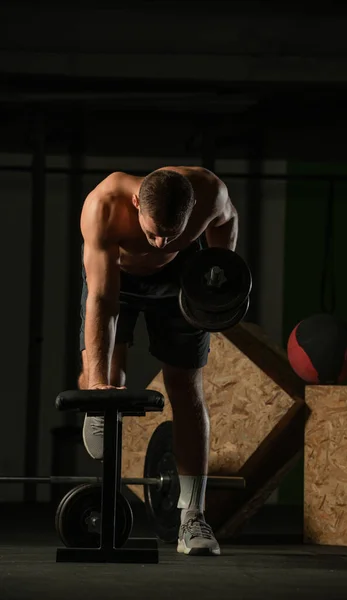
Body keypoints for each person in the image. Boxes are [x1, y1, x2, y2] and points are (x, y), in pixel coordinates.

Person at [78, 166, 238, 556]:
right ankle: (96, 399)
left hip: (180, 278)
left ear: (193, 210)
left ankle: (193, 518)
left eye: (173, 234)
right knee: (108, 377)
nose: (162, 240)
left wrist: (214, 270)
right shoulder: (104, 206)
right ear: (135, 204)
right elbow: (102, 302)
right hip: (118, 276)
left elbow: (228, 219)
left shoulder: (210, 193)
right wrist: (100, 387)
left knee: (185, 386)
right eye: (152, 232)